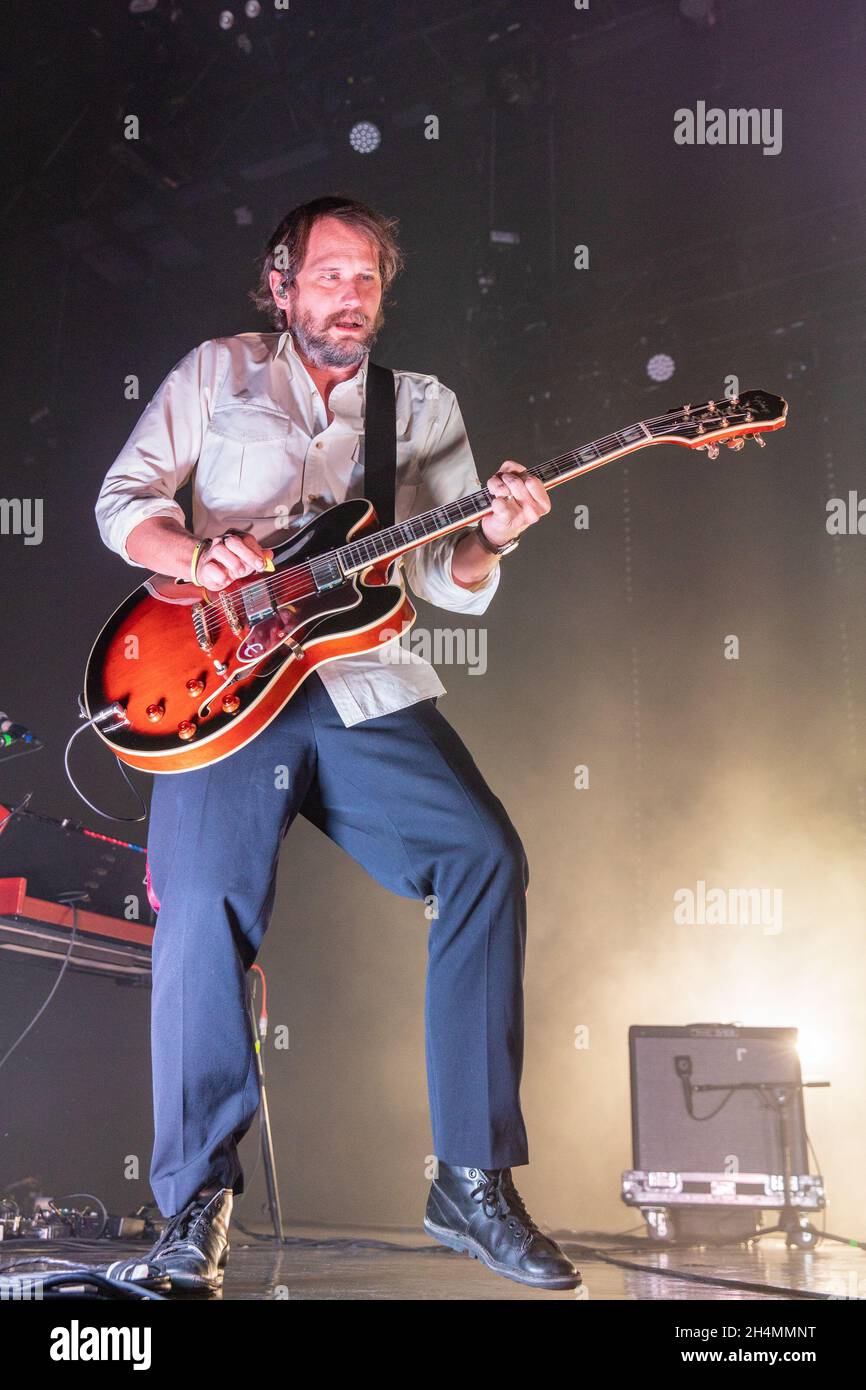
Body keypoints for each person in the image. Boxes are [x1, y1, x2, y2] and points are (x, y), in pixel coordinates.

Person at [95, 195, 579, 1294]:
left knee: (482, 858)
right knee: (200, 910)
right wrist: (191, 553)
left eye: (365, 278)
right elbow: (122, 501)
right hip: (221, 682)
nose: (348, 296)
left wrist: (489, 539)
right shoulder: (218, 372)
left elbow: (446, 580)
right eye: (327, 276)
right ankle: (194, 1209)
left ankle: (468, 1177)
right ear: (280, 285)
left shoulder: (419, 406)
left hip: (361, 680)